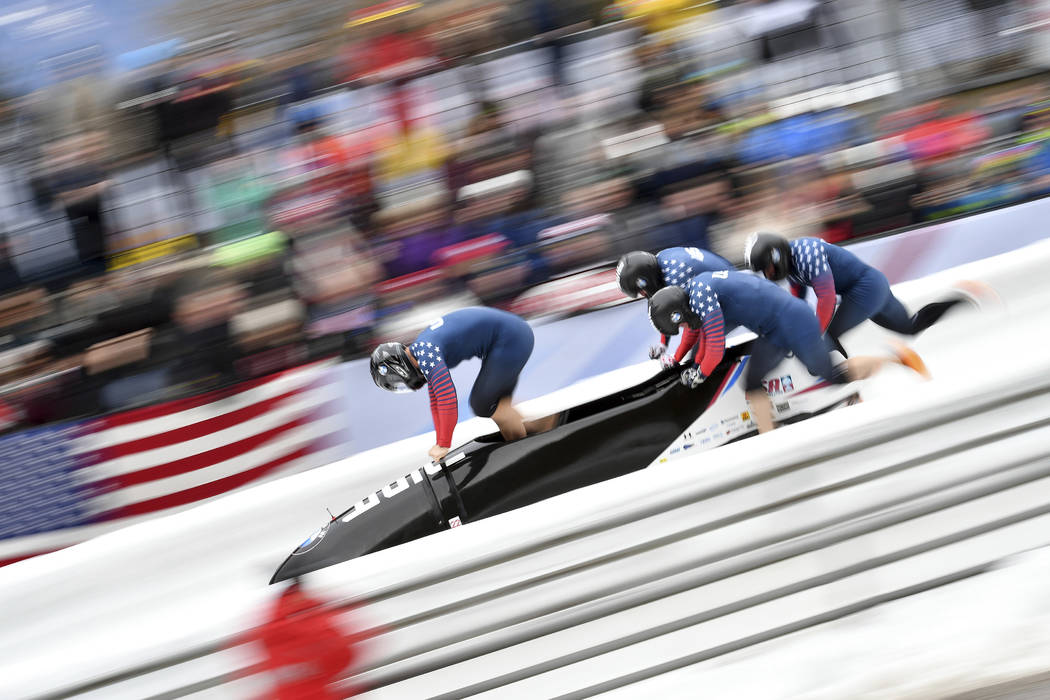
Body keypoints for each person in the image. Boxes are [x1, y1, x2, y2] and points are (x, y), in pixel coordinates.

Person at [646, 269, 930, 433]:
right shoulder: (696, 290)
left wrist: (700, 372)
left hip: (790, 324)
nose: (683, 326)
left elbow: (715, 347)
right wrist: (690, 364)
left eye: (679, 322)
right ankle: (770, 433)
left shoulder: (702, 296)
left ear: (678, 312)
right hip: (779, 323)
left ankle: (895, 358)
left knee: (831, 376)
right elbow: (701, 336)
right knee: (753, 382)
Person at [370, 307, 557, 462]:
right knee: (497, 404)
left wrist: (443, 444)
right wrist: (439, 441)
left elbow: (447, 398)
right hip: (511, 335)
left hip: (510, 338)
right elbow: (435, 402)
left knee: (482, 404)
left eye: (398, 382)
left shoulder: (426, 354)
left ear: (399, 369)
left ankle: (523, 457)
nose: (407, 384)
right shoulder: (422, 349)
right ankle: (543, 425)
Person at [743, 232, 969, 354]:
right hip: (870, 286)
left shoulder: (807, 253)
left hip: (865, 289)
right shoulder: (791, 267)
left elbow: (827, 298)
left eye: (768, 268)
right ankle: (959, 296)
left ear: (777, 256)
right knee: (910, 327)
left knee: (827, 337)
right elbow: (797, 301)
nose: (768, 274)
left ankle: (843, 382)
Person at [616, 246, 733, 367]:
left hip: (728, 294)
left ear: (645, 281)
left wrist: (676, 358)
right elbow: (665, 307)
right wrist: (663, 344)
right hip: (725, 278)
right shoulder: (660, 262)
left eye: (641, 291)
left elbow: (693, 325)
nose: (643, 295)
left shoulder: (676, 278)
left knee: (701, 356)